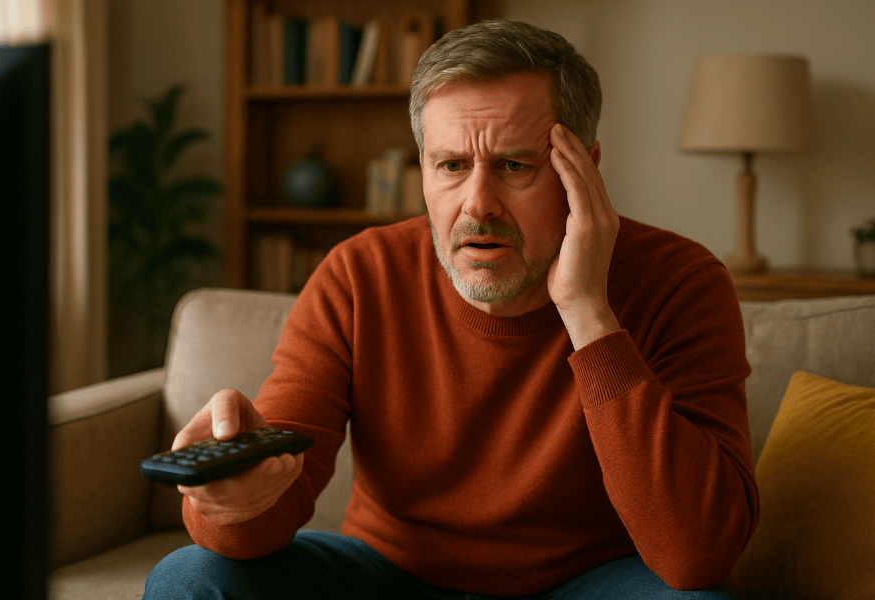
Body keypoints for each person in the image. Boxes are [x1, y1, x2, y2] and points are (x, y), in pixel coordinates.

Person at [143, 19, 758, 599]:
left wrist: (588, 312)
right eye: (452, 166)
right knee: (191, 577)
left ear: (584, 172)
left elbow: (698, 554)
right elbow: (270, 505)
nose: (478, 203)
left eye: (514, 165)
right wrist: (230, 502)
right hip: (391, 579)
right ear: (423, 169)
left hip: (586, 583)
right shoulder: (358, 276)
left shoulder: (681, 281)